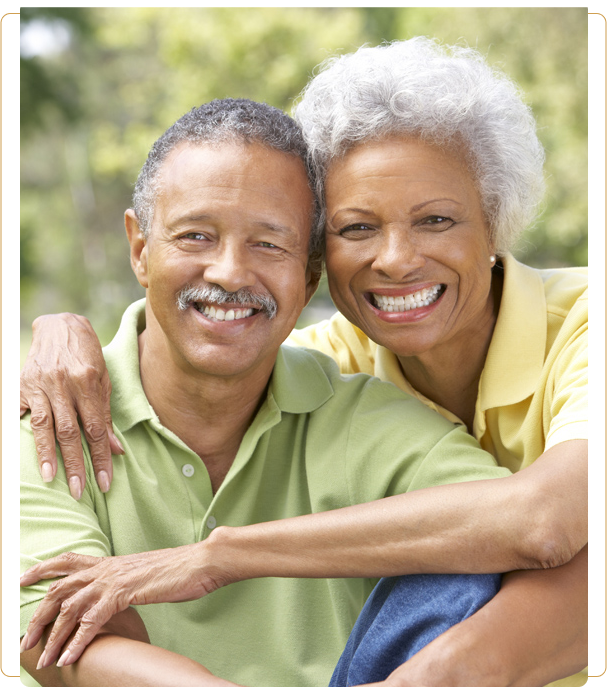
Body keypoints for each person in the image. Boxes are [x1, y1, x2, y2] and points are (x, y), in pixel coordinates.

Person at [20, 38, 588, 687]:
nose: (396, 259)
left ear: (495, 223)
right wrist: (58, 332)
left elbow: (543, 522)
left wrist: (219, 555)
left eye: (435, 219)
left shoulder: (576, 327)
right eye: (356, 227)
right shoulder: (329, 363)